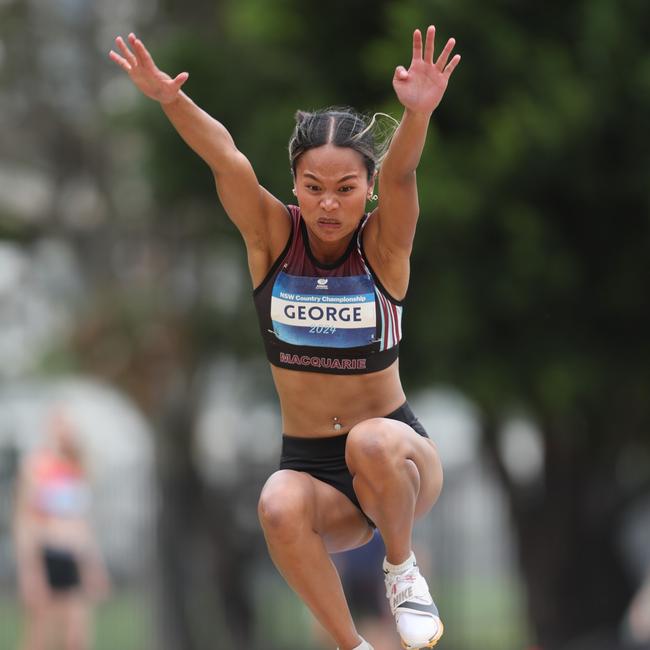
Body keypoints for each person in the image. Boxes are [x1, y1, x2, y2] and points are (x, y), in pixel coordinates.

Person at [109, 24, 459, 650]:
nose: (329, 205)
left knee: (372, 440)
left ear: (367, 191)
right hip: (313, 469)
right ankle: (355, 645)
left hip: (397, 460)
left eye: (346, 189)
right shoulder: (272, 238)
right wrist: (170, 99)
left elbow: (404, 175)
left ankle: (402, 571)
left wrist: (417, 117)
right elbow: (225, 157)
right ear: (294, 185)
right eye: (314, 188)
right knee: (275, 502)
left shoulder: (382, 246)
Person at [13, 407, 110, 650]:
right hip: (47, 555)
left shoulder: (78, 468)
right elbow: (25, 521)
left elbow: (83, 523)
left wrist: (94, 565)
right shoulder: (36, 467)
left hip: (74, 557)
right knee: (40, 638)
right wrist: (30, 571)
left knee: (76, 638)